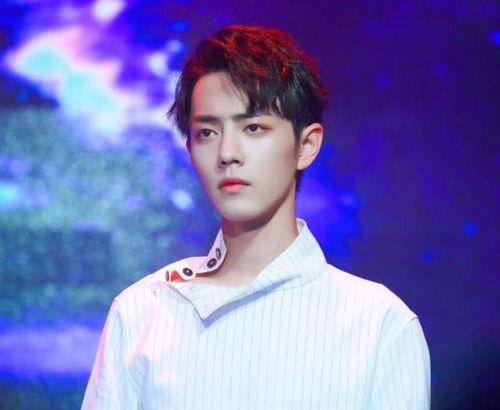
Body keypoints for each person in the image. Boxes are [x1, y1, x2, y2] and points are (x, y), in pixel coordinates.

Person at [82, 25, 430, 409]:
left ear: (306, 145)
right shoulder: (143, 312)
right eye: (207, 133)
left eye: (253, 128)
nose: (228, 153)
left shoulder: (378, 325)